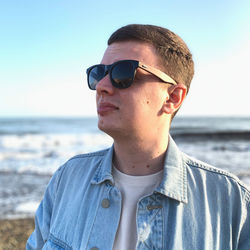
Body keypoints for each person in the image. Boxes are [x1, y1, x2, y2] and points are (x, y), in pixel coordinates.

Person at [26, 24, 250, 250]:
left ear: (172, 97)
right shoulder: (67, 180)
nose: (102, 86)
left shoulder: (231, 202)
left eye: (123, 73)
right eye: (98, 74)